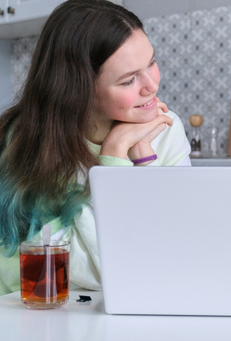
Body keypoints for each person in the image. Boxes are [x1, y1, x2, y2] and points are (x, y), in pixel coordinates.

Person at [0, 0, 191, 296]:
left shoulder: (165, 128)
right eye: (128, 80)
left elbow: (174, 244)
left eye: (151, 62)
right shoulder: (31, 139)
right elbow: (102, 267)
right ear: (80, 90)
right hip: (24, 304)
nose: (152, 85)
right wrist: (114, 156)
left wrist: (143, 157)